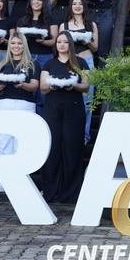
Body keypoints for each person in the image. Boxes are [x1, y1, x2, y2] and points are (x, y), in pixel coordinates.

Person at [40, 31, 90, 203]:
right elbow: (43, 88)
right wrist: (53, 85)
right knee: (52, 148)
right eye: (59, 42)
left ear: (70, 44)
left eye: (65, 42)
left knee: (72, 148)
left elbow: (86, 86)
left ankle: (71, 192)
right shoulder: (49, 63)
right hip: (52, 109)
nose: (61, 45)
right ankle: (51, 190)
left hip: (74, 109)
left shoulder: (80, 63)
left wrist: (73, 85)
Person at [0, 32, 41, 192]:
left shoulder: (33, 64)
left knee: (21, 144)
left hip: (25, 105)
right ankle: (3, 181)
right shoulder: (1, 63)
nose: (16, 46)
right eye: (13, 43)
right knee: (4, 143)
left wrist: (22, 84)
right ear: (9, 45)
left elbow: (34, 86)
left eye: (19, 43)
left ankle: (21, 180)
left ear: (24, 45)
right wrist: (1, 84)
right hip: (3, 104)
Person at [58, 0, 98, 144]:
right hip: (70, 62)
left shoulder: (91, 25)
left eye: (80, 4)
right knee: (69, 98)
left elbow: (95, 48)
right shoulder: (64, 26)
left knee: (87, 101)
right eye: (74, 3)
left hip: (87, 60)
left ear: (84, 6)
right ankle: (68, 134)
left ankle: (84, 136)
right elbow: (60, 46)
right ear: (71, 6)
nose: (77, 6)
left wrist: (87, 41)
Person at [13, 0, 57, 71]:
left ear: (44, 2)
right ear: (30, 1)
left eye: (40, 0)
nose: (36, 2)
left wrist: (43, 41)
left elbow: (54, 41)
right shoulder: (22, 20)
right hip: (26, 56)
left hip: (46, 56)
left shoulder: (51, 20)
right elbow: (17, 39)